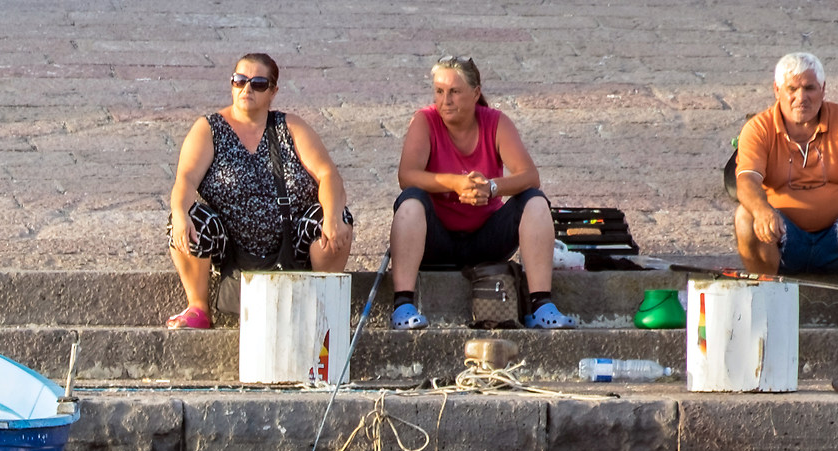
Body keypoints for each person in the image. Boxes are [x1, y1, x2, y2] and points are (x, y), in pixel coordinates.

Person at [165, 53, 354, 329]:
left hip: (291, 243)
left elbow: (328, 175)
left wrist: (333, 215)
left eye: (258, 83)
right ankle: (198, 307)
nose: (246, 89)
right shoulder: (209, 129)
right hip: (230, 247)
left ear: (273, 91)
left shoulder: (290, 126)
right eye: (240, 81)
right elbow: (185, 179)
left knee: (338, 220)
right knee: (190, 219)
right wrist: (180, 213)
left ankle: (321, 307)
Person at [387, 55, 572, 330]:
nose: (445, 100)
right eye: (439, 92)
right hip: (437, 241)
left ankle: (540, 304)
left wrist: (491, 187)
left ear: (475, 93)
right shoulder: (424, 121)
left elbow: (530, 176)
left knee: (534, 200)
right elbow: (407, 176)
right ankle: (402, 304)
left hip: (486, 239)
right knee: (410, 200)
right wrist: (454, 183)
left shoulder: (496, 122)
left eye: (454, 92)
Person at [732, 52, 838, 327]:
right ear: (777, 91)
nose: (801, 97)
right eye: (792, 89)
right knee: (746, 217)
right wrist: (763, 210)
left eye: (810, 88)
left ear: (823, 89)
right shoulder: (758, 128)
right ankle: (766, 297)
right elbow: (746, 181)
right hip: (782, 238)